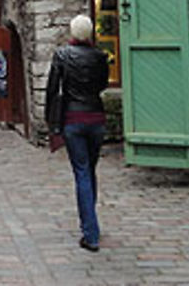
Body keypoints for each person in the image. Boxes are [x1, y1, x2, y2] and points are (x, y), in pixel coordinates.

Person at [44, 14, 109, 253]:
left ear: (72, 33)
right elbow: (102, 84)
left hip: (73, 119)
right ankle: (90, 221)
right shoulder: (100, 56)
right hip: (96, 118)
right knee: (89, 170)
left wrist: (50, 119)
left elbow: (53, 88)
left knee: (81, 172)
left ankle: (90, 233)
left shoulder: (62, 55)